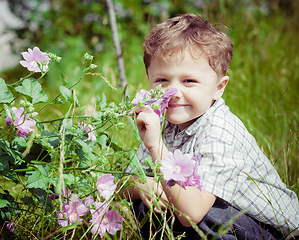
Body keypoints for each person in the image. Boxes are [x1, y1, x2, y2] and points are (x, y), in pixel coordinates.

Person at [122, 13, 299, 239]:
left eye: (189, 81)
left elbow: (192, 214)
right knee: (147, 206)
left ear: (219, 87)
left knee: (205, 219)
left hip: (265, 228)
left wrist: (156, 147)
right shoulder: (161, 123)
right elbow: (123, 184)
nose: (173, 92)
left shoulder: (220, 130)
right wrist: (143, 185)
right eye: (161, 80)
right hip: (202, 209)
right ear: (148, 79)